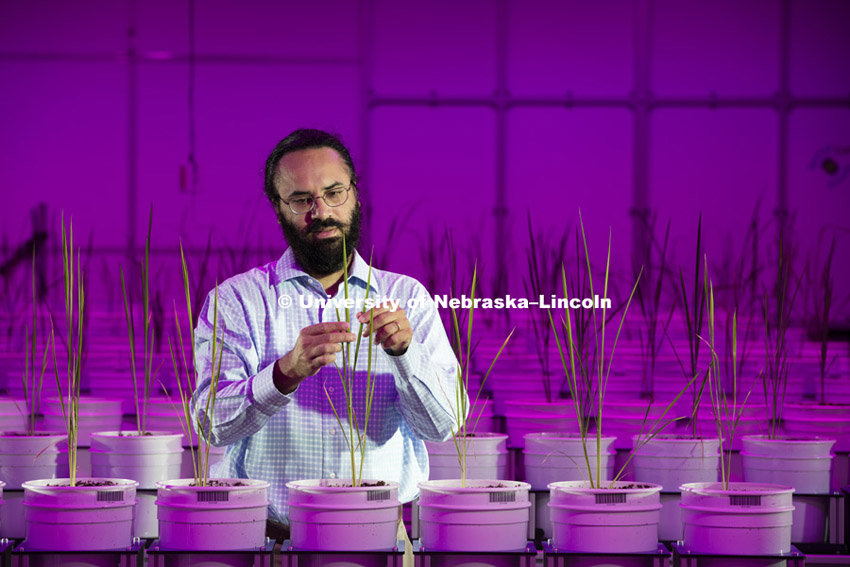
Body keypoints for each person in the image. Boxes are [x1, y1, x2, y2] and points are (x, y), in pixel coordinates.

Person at [190, 128, 464, 538]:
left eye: (334, 192)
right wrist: (284, 373)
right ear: (279, 207)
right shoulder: (236, 300)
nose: (321, 211)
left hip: (383, 538)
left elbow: (444, 426)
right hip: (269, 540)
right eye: (301, 200)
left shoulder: (406, 297)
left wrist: (406, 353)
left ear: (355, 194)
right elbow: (212, 425)